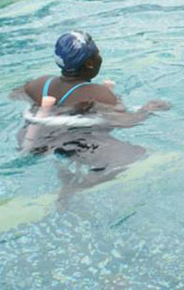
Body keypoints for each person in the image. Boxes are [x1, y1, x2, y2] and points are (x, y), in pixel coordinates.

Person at [19, 31, 170, 201]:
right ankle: (77, 186)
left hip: (34, 138)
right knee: (136, 155)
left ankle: (67, 178)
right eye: (98, 54)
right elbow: (125, 122)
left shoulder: (37, 84)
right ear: (90, 63)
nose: (100, 58)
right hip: (75, 142)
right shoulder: (98, 93)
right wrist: (148, 109)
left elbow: (17, 95)